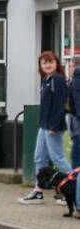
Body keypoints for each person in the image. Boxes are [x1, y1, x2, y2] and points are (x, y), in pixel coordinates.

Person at [21, 50, 70, 203]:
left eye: (51, 62)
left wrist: (53, 127)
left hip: (52, 127)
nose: (48, 65)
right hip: (44, 125)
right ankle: (38, 191)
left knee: (58, 158)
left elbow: (61, 106)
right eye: (44, 62)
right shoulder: (46, 80)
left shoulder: (58, 80)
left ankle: (75, 188)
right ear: (40, 66)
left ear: (56, 63)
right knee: (39, 157)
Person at [68, 61, 80, 172]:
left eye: (71, 66)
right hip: (73, 116)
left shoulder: (76, 80)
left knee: (76, 149)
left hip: (76, 117)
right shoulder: (72, 80)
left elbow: (77, 99)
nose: (69, 68)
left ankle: (75, 177)